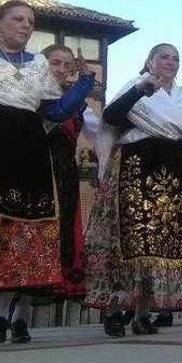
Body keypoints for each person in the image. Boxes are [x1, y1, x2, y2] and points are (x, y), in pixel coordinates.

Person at [84, 43, 182, 337]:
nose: (171, 62)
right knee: (126, 243)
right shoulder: (135, 86)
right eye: (164, 56)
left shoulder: (180, 96)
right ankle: (114, 310)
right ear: (149, 61)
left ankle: (142, 313)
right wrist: (141, 89)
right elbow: (111, 117)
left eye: (176, 58)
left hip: (171, 172)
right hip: (135, 168)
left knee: (159, 246)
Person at [0, 0, 78, 344]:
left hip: (30, 150)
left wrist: (81, 87)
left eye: (31, 21)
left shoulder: (37, 64)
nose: (26, 25)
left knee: (22, 233)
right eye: (18, 18)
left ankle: (7, 316)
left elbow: (57, 111)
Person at [42, 45, 97, 300]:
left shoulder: (80, 103)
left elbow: (102, 134)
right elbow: (58, 110)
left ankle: (19, 317)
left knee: (60, 237)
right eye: (55, 63)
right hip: (36, 169)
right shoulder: (32, 93)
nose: (62, 70)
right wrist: (85, 83)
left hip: (65, 176)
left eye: (68, 66)